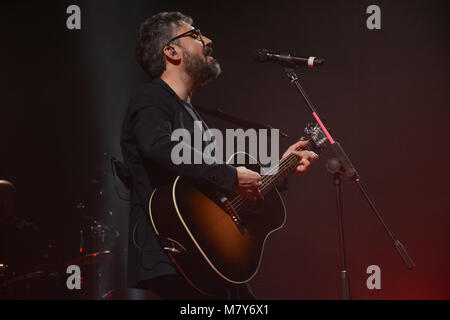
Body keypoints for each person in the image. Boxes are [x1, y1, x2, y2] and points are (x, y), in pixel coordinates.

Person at [120, 11, 318, 300]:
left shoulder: (191, 114)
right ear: (171, 51)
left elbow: (214, 188)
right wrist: (231, 175)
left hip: (213, 256)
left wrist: (281, 168)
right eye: (195, 35)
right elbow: (158, 146)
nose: (208, 40)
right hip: (180, 250)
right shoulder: (150, 98)